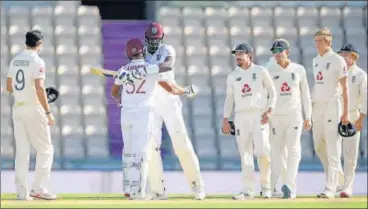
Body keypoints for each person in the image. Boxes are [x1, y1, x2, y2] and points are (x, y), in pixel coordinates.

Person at [111, 38, 187, 200]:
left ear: (127, 54)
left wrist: (120, 100)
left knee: (129, 152)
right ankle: (139, 192)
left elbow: (114, 92)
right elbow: (170, 88)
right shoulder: (151, 69)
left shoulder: (122, 70)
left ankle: (129, 188)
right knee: (143, 152)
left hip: (126, 114)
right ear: (143, 52)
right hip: (143, 114)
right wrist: (185, 91)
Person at [140, 22, 205, 200]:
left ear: (162, 38)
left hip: (169, 103)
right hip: (151, 103)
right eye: (151, 39)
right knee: (151, 146)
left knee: (181, 144)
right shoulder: (141, 53)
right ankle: (158, 190)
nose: (154, 42)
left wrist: (148, 69)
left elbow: (167, 66)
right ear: (146, 38)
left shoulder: (168, 50)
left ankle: (196, 186)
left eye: (156, 38)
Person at [6, 30, 56, 200]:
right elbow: (40, 88)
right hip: (33, 109)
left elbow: (9, 87)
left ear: (26, 42)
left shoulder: (16, 59)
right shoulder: (37, 61)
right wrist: (48, 112)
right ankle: (39, 188)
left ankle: (22, 192)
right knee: (46, 149)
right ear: (39, 43)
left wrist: (24, 91)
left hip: (18, 109)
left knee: (22, 152)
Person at [222, 43, 277, 199]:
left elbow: (273, 92)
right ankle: (248, 189)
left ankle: (266, 187)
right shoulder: (233, 75)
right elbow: (229, 99)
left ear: (249, 55)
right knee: (245, 154)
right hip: (241, 117)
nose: (238, 57)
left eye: (241, 54)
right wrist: (225, 118)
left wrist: (271, 109)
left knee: (262, 151)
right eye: (236, 54)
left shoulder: (260, 71)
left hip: (259, 115)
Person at [265, 39, 312, 199]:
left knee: (293, 150)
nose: (277, 54)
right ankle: (276, 186)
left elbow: (305, 94)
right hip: (276, 117)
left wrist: (308, 116)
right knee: (277, 153)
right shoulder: (268, 69)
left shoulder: (298, 69)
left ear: (288, 52)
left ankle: (289, 186)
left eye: (279, 50)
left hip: (294, 116)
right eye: (274, 51)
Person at [311, 28, 350, 199]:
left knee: (333, 147)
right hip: (317, 106)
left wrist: (345, 113)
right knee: (319, 146)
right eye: (315, 40)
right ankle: (337, 178)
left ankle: (330, 187)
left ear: (328, 41)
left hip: (332, 106)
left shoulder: (337, 60)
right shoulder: (315, 61)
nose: (316, 44)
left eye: (319, 40)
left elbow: (345, 88)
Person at [337, 44, 367, 198]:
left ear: (353, 57)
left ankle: (347, 187)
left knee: (350, 154)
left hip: (352, 116)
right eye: (340, 55)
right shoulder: (336, 72)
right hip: (334, 114)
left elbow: (365, 98)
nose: (342, 58)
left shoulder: (361, 75)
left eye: (345, 55)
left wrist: (361, 118)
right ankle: (339, 183)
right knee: (332, 153)